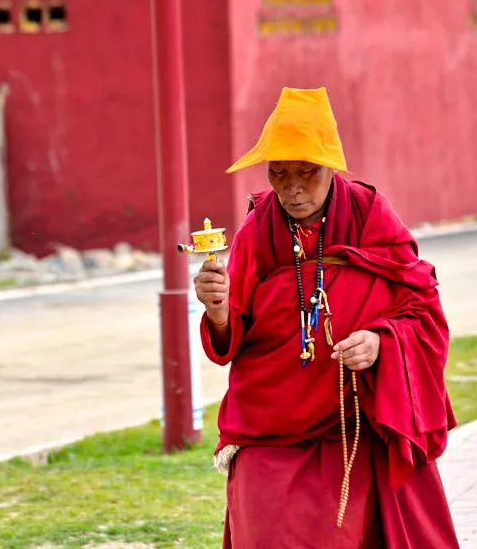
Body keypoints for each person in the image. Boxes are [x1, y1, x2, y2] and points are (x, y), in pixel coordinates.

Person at [194, 87, 459, 548]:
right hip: (268, 426)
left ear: (331, 168)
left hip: (351, 423)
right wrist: (217, 309)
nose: (292, 188)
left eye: (307, 173)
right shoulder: (258, 230)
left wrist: (382, 342)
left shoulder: (369, 215)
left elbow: (423, 310)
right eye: (278, 173)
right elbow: (230, 334)